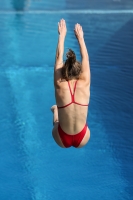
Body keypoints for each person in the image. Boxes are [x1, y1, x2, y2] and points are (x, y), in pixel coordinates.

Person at [51, 19, 90, 148]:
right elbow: (85, 58)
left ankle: (56, 112)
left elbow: (58, 58)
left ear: (64, 71)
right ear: (79, 72)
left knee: (57, 121)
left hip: (62, 139)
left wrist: (61, 35)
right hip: (83, 137)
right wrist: (81, 38)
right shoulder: (85, 83)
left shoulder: (60, 85)